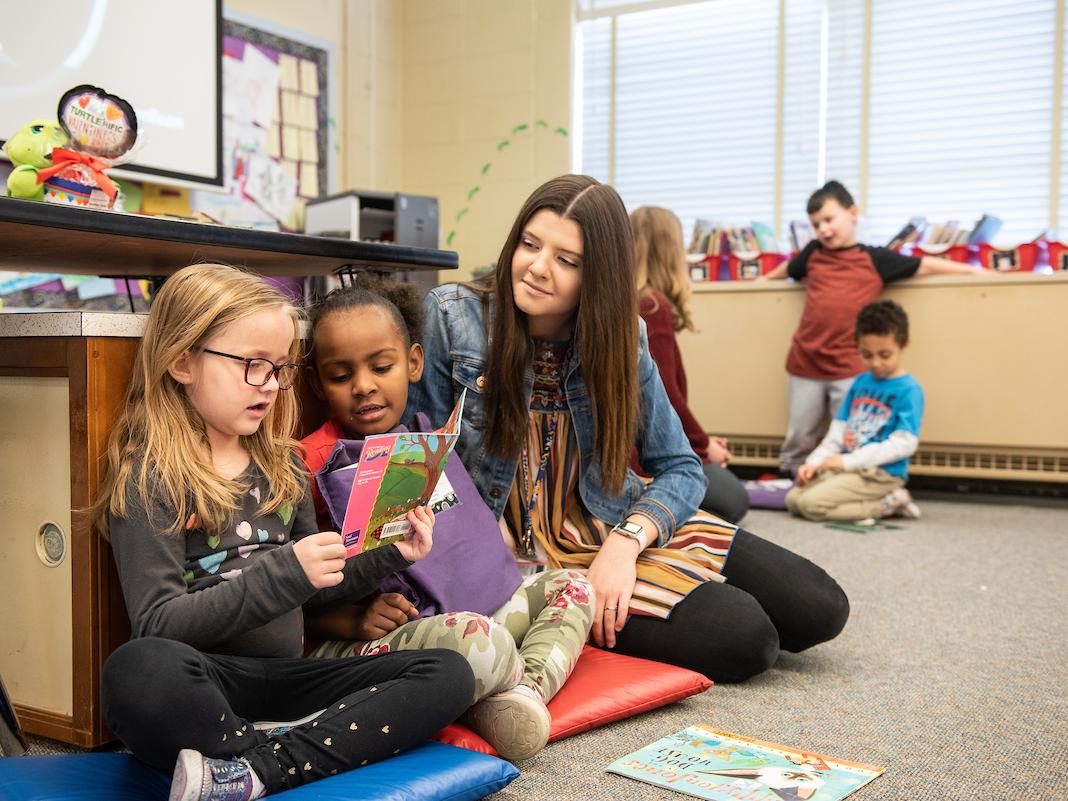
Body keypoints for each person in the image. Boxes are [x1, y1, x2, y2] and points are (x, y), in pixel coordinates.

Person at [409, 174, 850, 683]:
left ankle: (642, 572)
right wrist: (486, 547)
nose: (536, 267)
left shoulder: (623, 335)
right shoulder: (450, 318)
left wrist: (625, 544)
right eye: (530, 245)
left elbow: (681, 467)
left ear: (599, 275)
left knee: (820, 606)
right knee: (747, 639)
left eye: (566, 260)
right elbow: (419, 463)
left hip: (610, 521)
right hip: (522, 556)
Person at [90, 264, 473, 801]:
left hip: (289, 680)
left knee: (447, 673)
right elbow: (158, 623)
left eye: (279, 368)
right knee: (136, 670)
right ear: (182, 361)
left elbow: (318, 582)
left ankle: (252, 771)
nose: (269, 385)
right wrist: (286, 571)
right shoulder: (150, 476)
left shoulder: (283, 465)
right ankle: (285, 754)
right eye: (252, 366)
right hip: (207, 681)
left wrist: (390, 553)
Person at [299, 275, 594, 761]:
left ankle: (520, 696)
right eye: (340, 375)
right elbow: (287, 594)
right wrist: (348, 621)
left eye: (382, 366)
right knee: (482, 644)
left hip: (477, 613)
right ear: (317, 382)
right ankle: (484, 692)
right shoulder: (310, 464)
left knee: (572, 587)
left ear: (413, 363)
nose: (364, 386)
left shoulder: (428, 436)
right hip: (397, 641)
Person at [762, 180, 982, 477]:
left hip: (850, 366)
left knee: (851, 434)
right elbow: (789, 269)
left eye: (829, 219)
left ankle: (839, 480)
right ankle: (790, 475)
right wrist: (763, 282)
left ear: (852, 213)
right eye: (816, 224)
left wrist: (973, 270)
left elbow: (924, 265)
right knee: (801, 431)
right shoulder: (813, 253)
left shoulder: (875, 258)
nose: (823, 230)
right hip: (806, 362)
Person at [630, 205, 749, 523]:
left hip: (632, 447)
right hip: (639, 459)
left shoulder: (633, 301)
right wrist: (703, 445)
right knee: (734, 498)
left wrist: (700, 440)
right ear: (670, 252)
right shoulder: (652, 305)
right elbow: (664, 395)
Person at [786, 300, 923, 522]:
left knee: (811, 505)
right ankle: (878, 501)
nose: (876, 363)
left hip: (880, 474)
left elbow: (904, 443)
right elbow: (838, 432)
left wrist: (848, 462)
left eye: (885, 354)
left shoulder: (910, 389)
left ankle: (890, 503)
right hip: (851, 468)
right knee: (793, 499)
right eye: (867, 355)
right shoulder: (860, 382)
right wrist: (812, 464)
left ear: (904, 345)